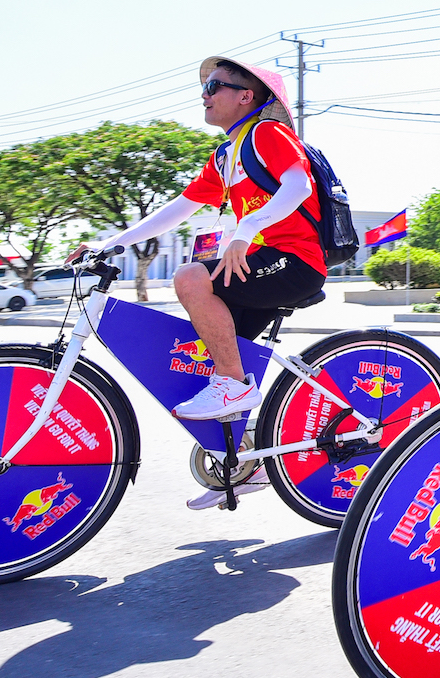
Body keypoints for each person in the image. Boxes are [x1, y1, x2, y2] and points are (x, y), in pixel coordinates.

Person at [85, 55, 328, 508]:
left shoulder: (266, 134)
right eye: (204, 87)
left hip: (294, 261)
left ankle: (234, 383)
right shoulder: (225, 155)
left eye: (215, 85)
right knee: (204, 354)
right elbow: (179, 208)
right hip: (255, 262)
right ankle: (245, 461)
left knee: (191, 277)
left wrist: (247, 229)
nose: (205, 94)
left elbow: (298, 187)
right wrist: (112, 243)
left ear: (245, 96)